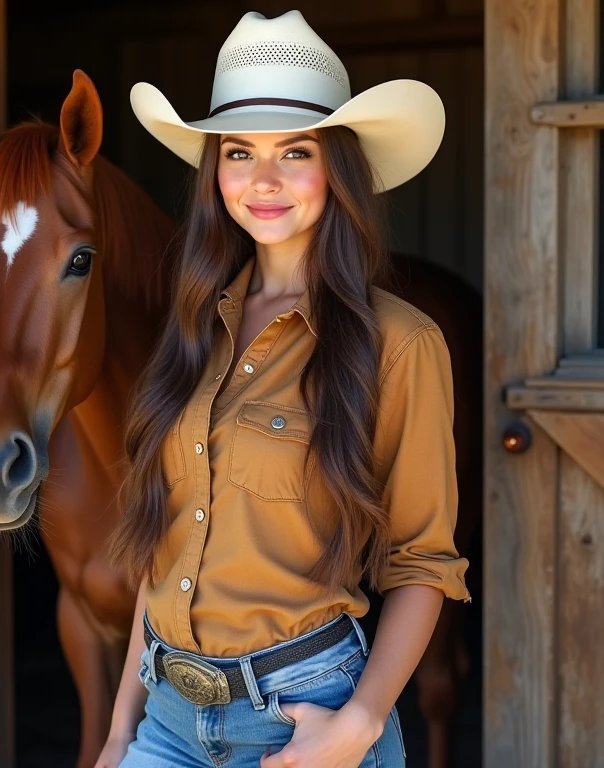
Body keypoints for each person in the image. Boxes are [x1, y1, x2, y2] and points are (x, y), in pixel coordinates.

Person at [95, 10, 470, 768]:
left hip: (303, 719)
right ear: (216, 172)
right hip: (165, 723)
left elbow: (423, 563)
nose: (262, 180)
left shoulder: (402, 344)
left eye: (294, 151)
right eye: (239, 151)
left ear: (339, 169)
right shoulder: (194, 323)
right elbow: (164, 546)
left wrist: (358, 727)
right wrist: (116, 737)